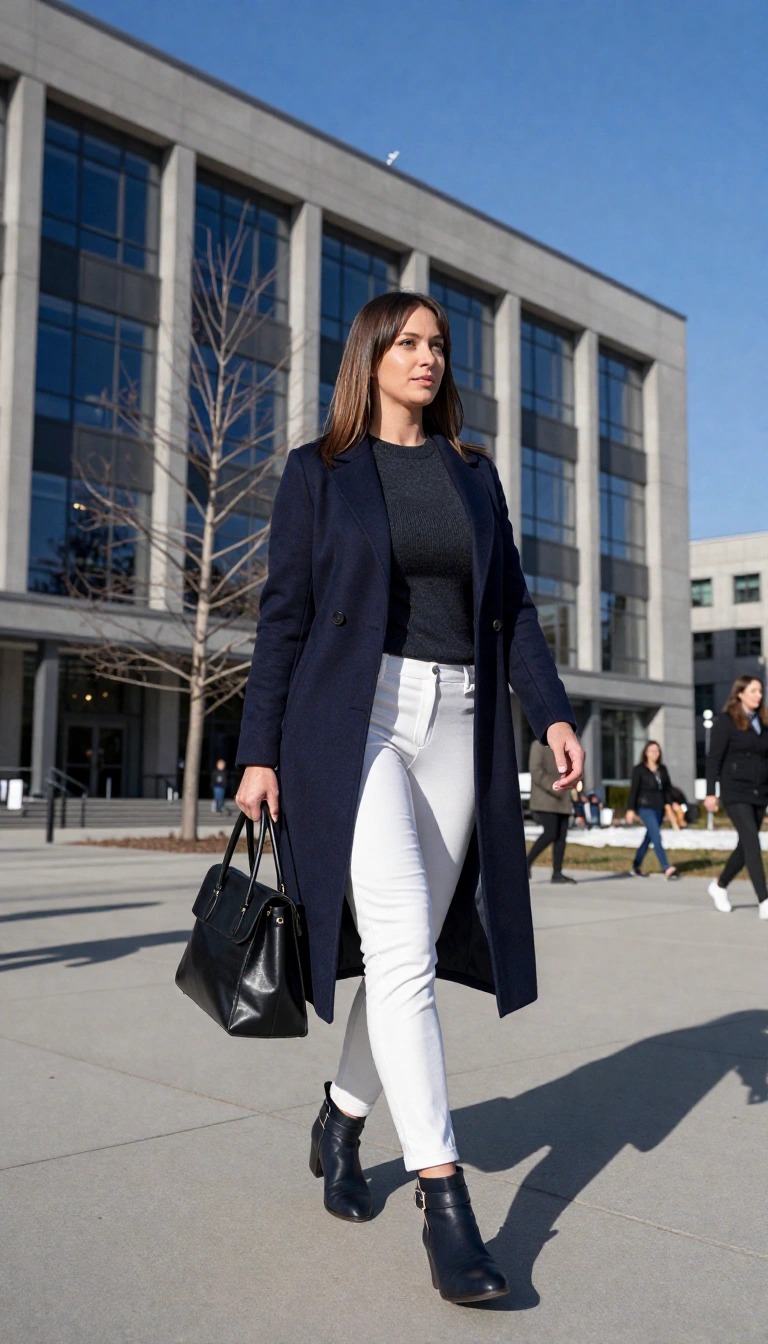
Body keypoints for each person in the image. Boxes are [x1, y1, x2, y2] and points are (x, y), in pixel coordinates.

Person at [234, 291, 584, 1305]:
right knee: (398, 952)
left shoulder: (472, 475)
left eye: (438, 345)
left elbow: (511, 606)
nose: (428, 358)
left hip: (463, 722)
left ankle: (341, 1118)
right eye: (409, 344)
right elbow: (283, 616)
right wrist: (258, 751)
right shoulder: (320, 473)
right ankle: (445, 1196)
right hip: (357, 721)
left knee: (408, 958)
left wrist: (553, 714)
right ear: (372, 358)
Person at [704, 676, 768, 918]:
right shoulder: (727, 721)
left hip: (759, 791)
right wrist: (711, 792)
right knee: (752, 841)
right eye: (753, 691)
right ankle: (764, 900)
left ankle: (719, 886)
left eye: (760, 691)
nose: (758, 695)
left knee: (745, 847)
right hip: (735, 791)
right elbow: (714, 759)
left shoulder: (763, 721)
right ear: (740, 693)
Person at [625, 741, 678, 879]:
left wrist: (672, 804)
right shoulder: (639, 769)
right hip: (645, 807)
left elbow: (668, 790)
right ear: (646, 753)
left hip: (659, 807)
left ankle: (636, 866)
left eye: (657, 751)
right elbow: (634, 790)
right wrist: (630, 809)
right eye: (652, 750)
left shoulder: (663, 769)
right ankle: (666, 867)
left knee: (648, 838)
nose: (655, 753)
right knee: (656, 836)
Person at [526, 739, 575, 884]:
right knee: (551, 833)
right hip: (545, 800)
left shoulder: (567, 746)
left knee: (561, 837)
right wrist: (556, 786)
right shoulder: (538, 745)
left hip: (564, 799)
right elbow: (536, 771)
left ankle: (557, 873)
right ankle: (526, 862)